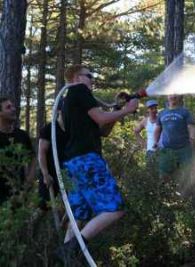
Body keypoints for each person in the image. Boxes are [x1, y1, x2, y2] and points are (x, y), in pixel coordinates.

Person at [58, 65, 139, 259]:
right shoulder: (79, 90)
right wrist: (128, 110)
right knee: (115, 209)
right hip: (87, 160)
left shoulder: (70, 100)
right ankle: (70, 251)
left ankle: (66, 261)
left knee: (79, 216)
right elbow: (101, 118)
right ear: (77, 77)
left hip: (72, 164)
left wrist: (119, 108)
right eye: (89, 76)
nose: (92, 80)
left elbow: (103, 131)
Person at [153, 94, 195, 183]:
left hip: (184, 149)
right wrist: (155, 142)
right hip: (166, 150)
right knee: (164, 176)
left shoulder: (185, 112)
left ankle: (186, 195)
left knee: (186, 175)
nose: (173, 96)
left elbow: (191, 127)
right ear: (167, 97)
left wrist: (192, 139)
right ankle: (167, 194)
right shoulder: (162, 113)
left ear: (179, 97)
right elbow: (157, 130)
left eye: (175, 95)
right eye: (170, 95)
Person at [0, 97, 35, 204]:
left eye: (13, 106)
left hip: (19, 194)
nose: (13, 109)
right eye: (8, 107)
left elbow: (32, 158)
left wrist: (28, 182)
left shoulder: (22, 135)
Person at [37, 99, 68, 211]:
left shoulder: (73, 129)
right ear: (59, 110)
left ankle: (65, 227)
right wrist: (45, 174)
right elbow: (42, 152)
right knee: (43, 206)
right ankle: (31, 226)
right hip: (50, 174)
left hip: (68, 174)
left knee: (72, 208)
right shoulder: (49, 129)